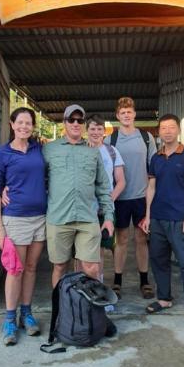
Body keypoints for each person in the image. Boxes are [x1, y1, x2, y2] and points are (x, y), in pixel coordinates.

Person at [141, 113, 184, 330]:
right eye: (163, 128)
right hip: (158, 218)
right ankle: (164, 298)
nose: (167, 131)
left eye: (171, 127)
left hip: (180, 219)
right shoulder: (156, 158)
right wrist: (148, 216)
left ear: (178, 130)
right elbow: (151, 188)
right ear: (158, 132)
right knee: (159, 261)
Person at [42, 104, 115, 290]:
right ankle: (62, 311)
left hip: (87, 217)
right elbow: (33, 176)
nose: (76, 123)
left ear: (83, 124)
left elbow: (103, 186)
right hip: (59, 218)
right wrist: (8, 187)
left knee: (90, 267)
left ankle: (90, 312)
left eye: (80, 120)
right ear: (64, 123)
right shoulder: (49, 149)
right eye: (71, 120)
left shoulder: (93, 151)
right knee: (59, 266)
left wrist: (108, 217)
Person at [0, 107, 47, 346]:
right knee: (16, 269)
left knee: (32, 267)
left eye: (28, 123)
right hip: (15, 218)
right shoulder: (2, 153)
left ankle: (27, 313)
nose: (24, 126)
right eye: (20, 122)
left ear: (33, 126)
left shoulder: (39, 149)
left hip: (40, 218)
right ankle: (10, 319)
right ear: (12, 125)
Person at [105, 96, 156, 300]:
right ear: (118, 116)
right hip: (120, 198)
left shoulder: (146, 137)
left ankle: (144, 281)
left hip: (142, 196)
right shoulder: (111, 139)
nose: (126, 115)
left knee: (142, 238)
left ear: (134, 114)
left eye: (129, 112)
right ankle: (117, 281)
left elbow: (154, 166)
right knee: (122, 240)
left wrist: (154, 194)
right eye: (122, 112)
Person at [85, 114, 125, 304]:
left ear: (104, 131)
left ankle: (99, 293)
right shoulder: (80, 150)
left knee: (100, 253)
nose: (95, 132)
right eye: (92, 128)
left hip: (105, 212)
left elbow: (121, 181)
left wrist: (108, 201)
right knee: (83, 255)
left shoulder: (112, 151)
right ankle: (84, 293)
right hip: (84, 211)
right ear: (87, 130)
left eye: (99, 128)